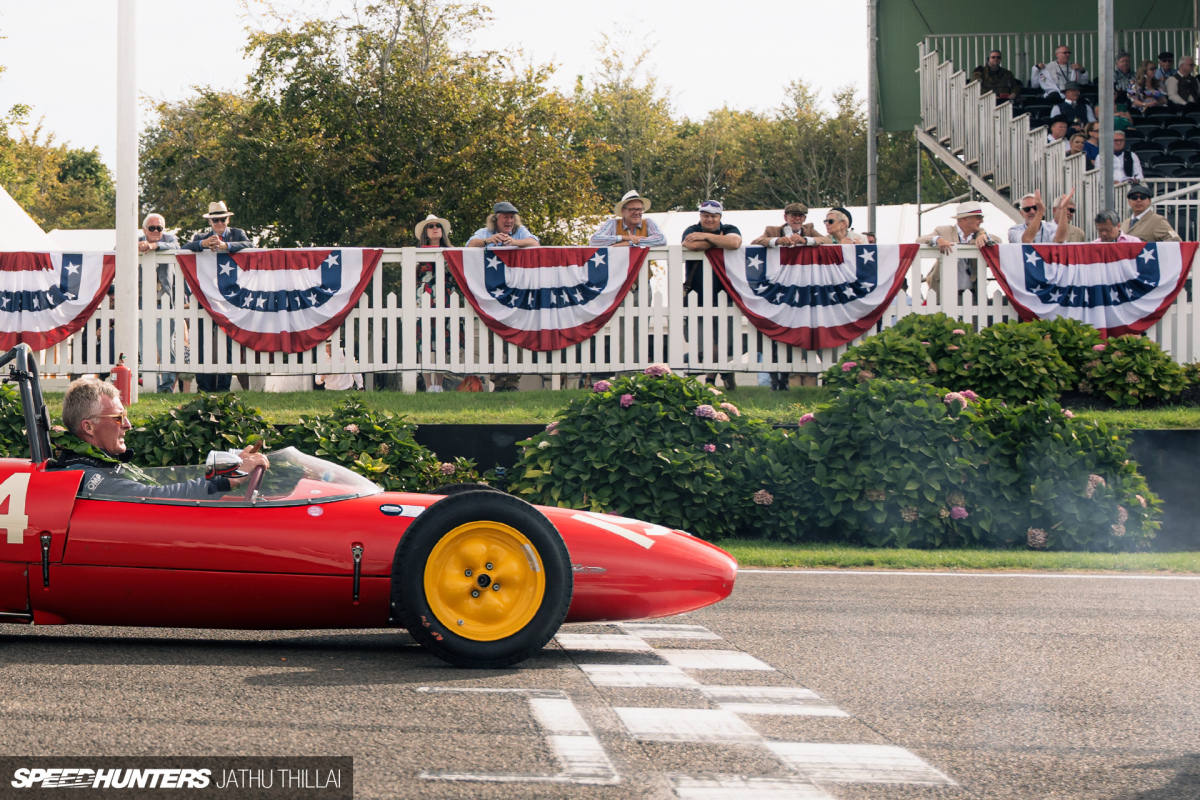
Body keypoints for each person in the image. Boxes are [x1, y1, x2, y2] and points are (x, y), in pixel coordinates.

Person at [53, 378, 268, 499]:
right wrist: (227, 479)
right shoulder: (86, 476)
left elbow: (161, 486)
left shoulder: (99, 462)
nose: (128, 425)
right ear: (88, 427)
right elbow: (155, 497)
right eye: (119, 418)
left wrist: (226, 470)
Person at [682, 200, 742, 389]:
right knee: (704, 343)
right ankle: (723, 372)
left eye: (714, 216)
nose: (710, 219)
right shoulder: (690, 229)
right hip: (697, 295)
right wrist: (716, 241)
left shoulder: (730, 228)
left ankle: (710, 380)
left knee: (723, 343)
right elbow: (690, 245)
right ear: (700, 216)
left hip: (725, 293)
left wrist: (703, 237)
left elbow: (735, 242)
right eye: (706, 215)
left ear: (720, 217)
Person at [414, 214, 460, 392]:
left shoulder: (452, 251)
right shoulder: (416, 252)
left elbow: (458, 275)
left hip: (445, 295)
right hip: (422, 297)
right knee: (422, 340)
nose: (435, 228)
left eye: (438, 225)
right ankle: (427, 385)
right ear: (426, 231)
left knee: (442, 339)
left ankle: (438, 385)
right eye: (431, 226)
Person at [916, 202, 996, 299]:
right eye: (978, 217)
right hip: (944, 295)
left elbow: (998, 241)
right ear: (965, 219)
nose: (982, 221)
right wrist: (938, 239)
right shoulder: (943, 231)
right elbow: (919, 240)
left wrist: (984, 235)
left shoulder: (980, 233)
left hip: (972, 295)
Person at [138, 213, 180, 394]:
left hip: (164, 300)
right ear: (144, 229)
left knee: (166, 345)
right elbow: (118, 248)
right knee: (142, 344)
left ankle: (167, 386)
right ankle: (150, 383)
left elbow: (176, 246)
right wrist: (138, 246)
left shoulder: (170, 239)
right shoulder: (137, 240)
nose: (156, 231)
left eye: (159, 228)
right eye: (152, 228)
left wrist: (154, 245)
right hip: (141, 301)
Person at [589, 190, 666, 247]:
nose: (636, 213)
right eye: (632, 209)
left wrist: (629, 243)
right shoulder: (613, 223)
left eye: (639, 209)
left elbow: (661, 239)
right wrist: (625, 238)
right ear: (623, 210)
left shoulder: (648, 222)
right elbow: (594, 241)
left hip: (643, 268)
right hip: (618, 268)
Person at [181, 201, 251, 253]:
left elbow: (250, 245)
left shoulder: (237, 234)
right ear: (209, 222)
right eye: (215, 220)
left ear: (228, 220)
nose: (220, 223)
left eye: (223, 219)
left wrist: (227, 246)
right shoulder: (201, 238)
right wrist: (202, 243)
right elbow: (183, 249)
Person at [466, 202, 539, 248]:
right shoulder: (485, 232)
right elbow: (470, 244)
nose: (509, 221)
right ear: (495, 219)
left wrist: (514, 242)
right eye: (505, 217)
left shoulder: (520, 230)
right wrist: (488, 240)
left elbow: (535, 243)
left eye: (511, 217)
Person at [751, 202, 822, 247]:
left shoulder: (809, 230)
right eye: (793, 215)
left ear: (804, 218)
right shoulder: (772, 231)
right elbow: (755, 242)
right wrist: (777, 241)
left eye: (800, 215)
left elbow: (827, 241)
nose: (797, 218)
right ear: (785, 217)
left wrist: (805, 240)